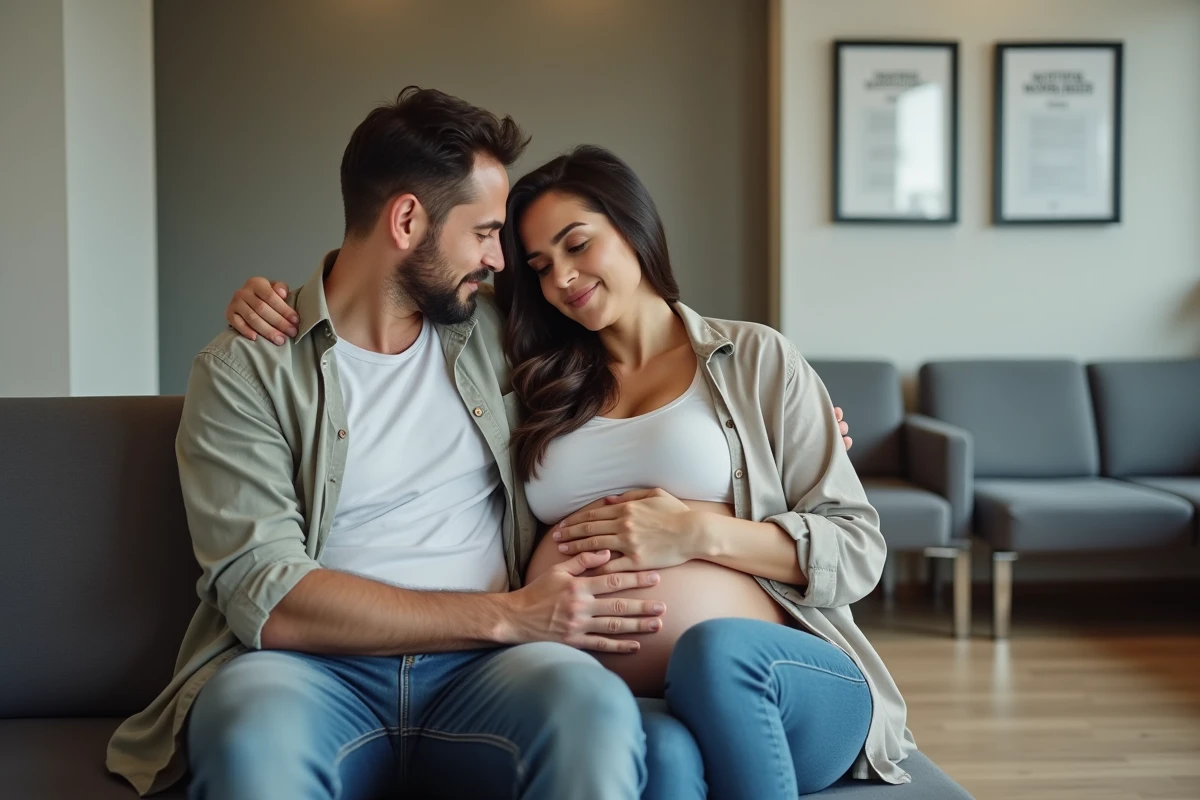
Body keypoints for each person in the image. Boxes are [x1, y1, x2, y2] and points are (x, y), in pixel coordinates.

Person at [224, 144, 917, 798]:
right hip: (619, 687)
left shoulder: (754, 359)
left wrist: (695, 535)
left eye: (578, 244)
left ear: (634, 226)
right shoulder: (536, 376)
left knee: (715, 654)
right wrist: (273, 298)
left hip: (771, 676)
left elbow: (857, 549)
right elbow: (386, 294)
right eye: (539, 265)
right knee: (665, 757)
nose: (563, 278)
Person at [107, 88, 665, 800]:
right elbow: (267, 596)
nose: (500, 258)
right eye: (485, 231)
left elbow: (649, 353)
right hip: (308, 672)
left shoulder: (504, 334)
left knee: (592, 711)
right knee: (251, 735)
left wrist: (783, 418)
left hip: (493, 674)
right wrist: (507, 616)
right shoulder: (246, 367)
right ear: (407, 219)